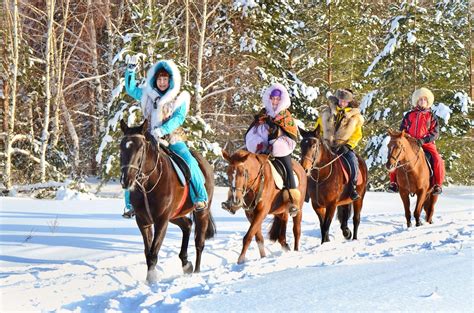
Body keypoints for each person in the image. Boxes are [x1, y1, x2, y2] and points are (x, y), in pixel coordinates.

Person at [121, 56, 208, 218]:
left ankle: (200, 197)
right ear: (155, 80)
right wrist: (131, 70)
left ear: (171, 80)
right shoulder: (147, 95)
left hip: (172, 138)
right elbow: (131, 89)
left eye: (165, 79)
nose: (162, 82)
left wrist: (162, 130)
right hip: (149, 138)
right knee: (131, 163)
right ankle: (130, 204)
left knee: (189, 161)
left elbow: (179, 118)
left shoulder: (178, 98)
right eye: (159, 79)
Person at [245, 83, 300, 216]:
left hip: (280, 151)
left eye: (277, 99)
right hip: (260, 151)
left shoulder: (286, 116)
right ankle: (236, 196)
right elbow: (253, 131)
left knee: (287, 168)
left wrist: (275, 145)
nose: (275, 101)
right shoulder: (263, 114)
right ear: (269, 98)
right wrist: (257, 143)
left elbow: (292, 136)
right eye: (273, 98)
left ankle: (292, 200)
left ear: (282, 100)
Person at [388, 87, 445, 195]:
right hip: (410, 144)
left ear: (428, 102)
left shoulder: (431, 116)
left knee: (438, 159)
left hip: (426, 144)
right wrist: (406, 138)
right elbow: (402, 130)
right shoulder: (409, 115)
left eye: (424, 99)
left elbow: (435, 133)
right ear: (417, 101)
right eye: (420, 99)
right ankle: (393, 182)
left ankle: (437, 184)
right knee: (395, 156)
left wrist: (423, 140)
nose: (422, 101)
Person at [314, 89, 364, 200]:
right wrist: (319, 140)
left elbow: (357, 135)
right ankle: (309, 187)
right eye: (341, 100)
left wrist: (348, 145)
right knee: (310, 159)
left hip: (344, 147)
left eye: (345, 101)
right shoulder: (327, 112)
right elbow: (318, 128)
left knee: (353, 161)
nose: (342, 103)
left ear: (349, 102)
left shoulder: (354, 118)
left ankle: (352, 187)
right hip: (327, 146)